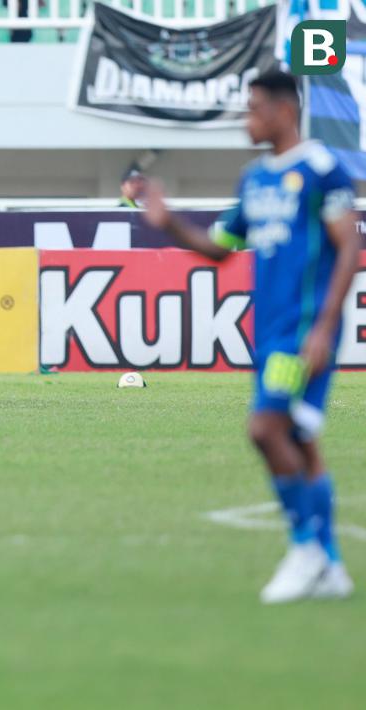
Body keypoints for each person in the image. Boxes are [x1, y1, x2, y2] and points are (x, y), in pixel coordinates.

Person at [143, 70, 358, 604]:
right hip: (270, 333)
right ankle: (329, 565)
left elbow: (350, 247)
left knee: (265, 430)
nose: (247, 118)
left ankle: (305, 549)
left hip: (304, 332)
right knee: (301, 441)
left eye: (255, 108)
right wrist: (168, 221)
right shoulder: (255, 179)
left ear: (285, 111)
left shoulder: (320, 170)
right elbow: (219, 246)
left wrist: (326, 326)